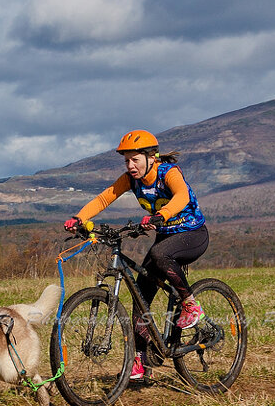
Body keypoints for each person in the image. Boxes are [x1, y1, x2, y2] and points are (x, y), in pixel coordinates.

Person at [63, 129, 209, 383]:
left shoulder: (167, 173)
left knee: (159, 253)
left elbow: (182, 196)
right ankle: (139, 362)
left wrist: (160, 216)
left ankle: (190, 304)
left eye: (135, 160)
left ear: (152, 157)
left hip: (193, 234)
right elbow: (105, 197)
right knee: (140, 296)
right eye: (127, 161)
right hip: (165, 237)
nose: (130, 166)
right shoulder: (131, 180)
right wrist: (79, 218)